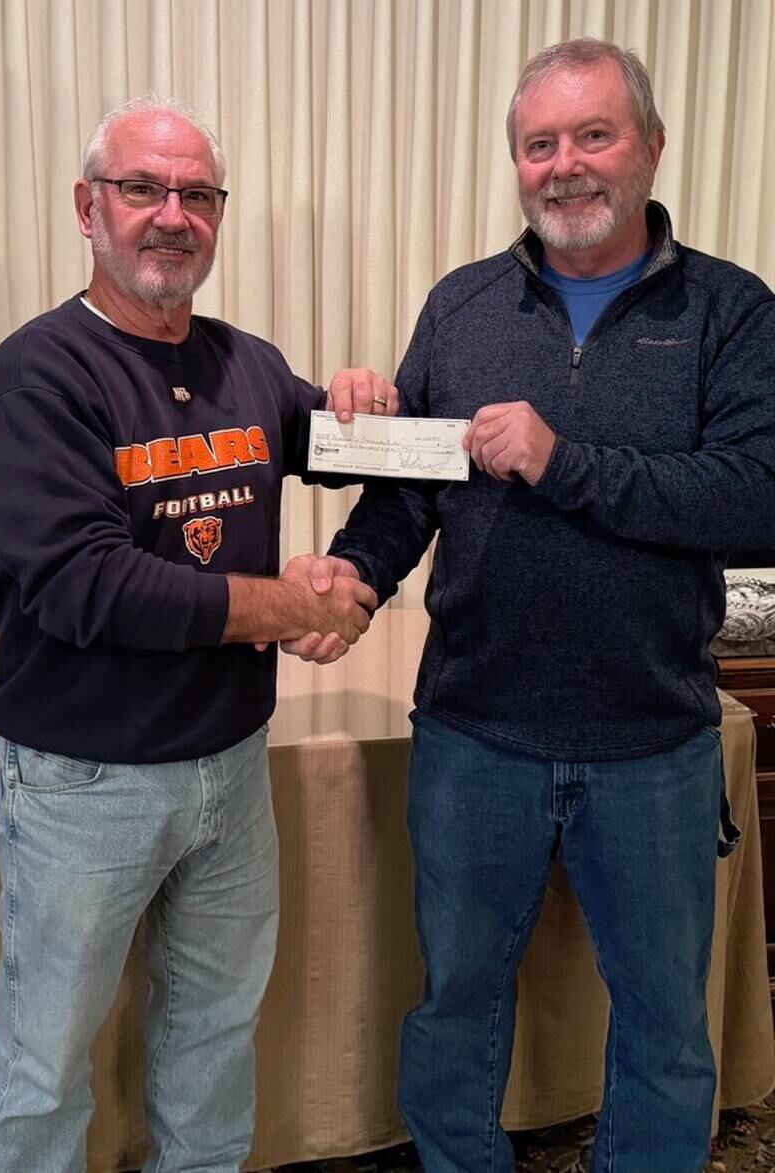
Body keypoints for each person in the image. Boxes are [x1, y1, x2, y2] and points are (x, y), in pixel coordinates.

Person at [289, 38, 775, 1173]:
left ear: (650, 146)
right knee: (454, 1002)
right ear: (515, 161)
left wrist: (566, 464)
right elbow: (410, 491)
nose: (563, 165)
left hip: (650, 740)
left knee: (662, 1029)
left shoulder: (729, 310)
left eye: (591, 135)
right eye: (537, 143)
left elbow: (758, 497)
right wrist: (356, 577)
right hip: (471, 733)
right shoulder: (460, 306)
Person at [0, 95, 396, 1173]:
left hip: (228, 770)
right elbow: (84, 587)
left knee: (212, 1040)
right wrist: (287, 605)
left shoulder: (243, 363)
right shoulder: (37, 375)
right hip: (82, 785)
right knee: (43, 1066)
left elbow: (362, 454)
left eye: (196, 195)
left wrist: (370, 405)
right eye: (142, 189)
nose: (172, 215)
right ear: (87, 207)